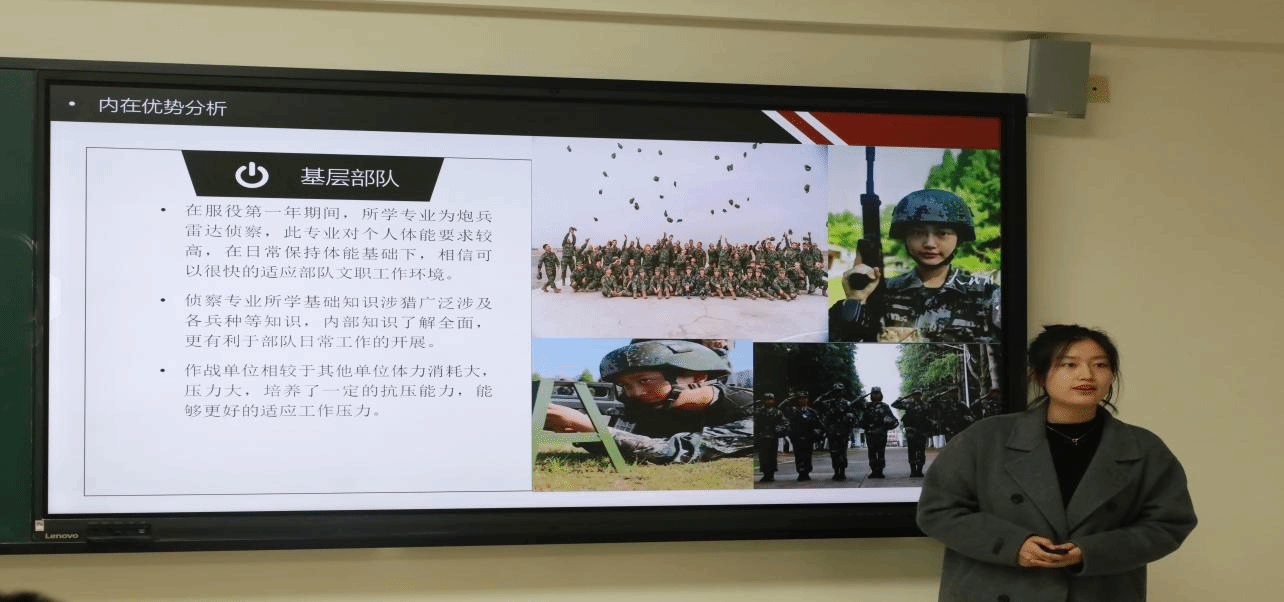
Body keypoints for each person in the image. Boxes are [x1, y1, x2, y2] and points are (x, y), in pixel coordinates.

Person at [916, 325, 1197, 602]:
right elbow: (938, 510)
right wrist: (1013, 545)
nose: (1086, 375)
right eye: (1069, 365)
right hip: (993, 587)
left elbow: (1169, 523)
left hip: (1098, 592)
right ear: (1038, 374)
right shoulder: (986, 438)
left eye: (1100, 365)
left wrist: (1091, 552)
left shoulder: (1142, 447)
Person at [828, 189, 1001, 343]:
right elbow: (839, 339)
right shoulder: (880, 292)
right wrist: (855, 300)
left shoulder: (988, 295)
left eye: (942, 233)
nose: (929, 243)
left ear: (959, 239)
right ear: (905, 238)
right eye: (918, 232)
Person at [542, 340, 753, 464]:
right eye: (625, 385)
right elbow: (630, 447)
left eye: (645, 381)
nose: (635, 393)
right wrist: (578, 430)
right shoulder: (648, 407)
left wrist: (596, 428)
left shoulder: (749, 409)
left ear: (697, 377)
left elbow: (680, 451)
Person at [814, 383, 859, 480]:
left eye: (840, 391)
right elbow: (816, 403)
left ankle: (842, 471)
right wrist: (826, 394)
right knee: (834, 453)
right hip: (832, 431)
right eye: (836, 391)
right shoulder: (829, 403)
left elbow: (855, 416)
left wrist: (849, 417)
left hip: (843, 431)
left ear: (843, 392)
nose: (838, 393)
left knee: (842, 452)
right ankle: (835, 471)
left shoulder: (848, 403)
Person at [780, 390, 823, 481]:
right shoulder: (793, 410)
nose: (803, 400)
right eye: (800, 398)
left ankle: (807, 472)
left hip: (809, 437)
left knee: (807, 455)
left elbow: (818, 424)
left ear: (807, 400)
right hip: (797, 437)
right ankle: (800, 472)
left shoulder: (811, 411)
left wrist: (818, 432)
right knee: (798, 455)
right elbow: (780, 407)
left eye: (804, 398)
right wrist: (790, 399)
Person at [856, 386, 899, 478]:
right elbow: (859, 411)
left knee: (881, 453)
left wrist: (886, 427)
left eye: (877, 393)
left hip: (881, 434)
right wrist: (859, 398)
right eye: (874, 394)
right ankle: (873, 471)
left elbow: (893, 420)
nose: (876, 395)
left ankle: (880, 471)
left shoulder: (885, 406)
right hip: (870, 433)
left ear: (880, 395)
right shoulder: (867, 406)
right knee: (871, 453)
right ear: (871, 395)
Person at [893, 389, 935, 478]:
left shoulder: (925, 405)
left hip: (922, 431)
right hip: (911, 431)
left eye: (918, 394)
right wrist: (901, 398)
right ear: (912, 395)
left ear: (921, 395)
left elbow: (931, 415)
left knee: (921, 451)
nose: (917, 396)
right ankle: (913, 471)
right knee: (911, 451)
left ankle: (919, 470)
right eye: (915, 394)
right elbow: (894, 404)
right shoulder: (908, 404)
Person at [753, 393, 788, 482]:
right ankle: (765, 473)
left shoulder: (777, 412)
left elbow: (784, 422)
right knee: (763, 456)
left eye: (771, 399)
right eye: (767, 399)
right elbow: (754, 423)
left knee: (772, 456)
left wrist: (778, 429)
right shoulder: (758, 412)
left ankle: (771, 474)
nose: (769, 401)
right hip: (762, 436)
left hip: (773, 436)